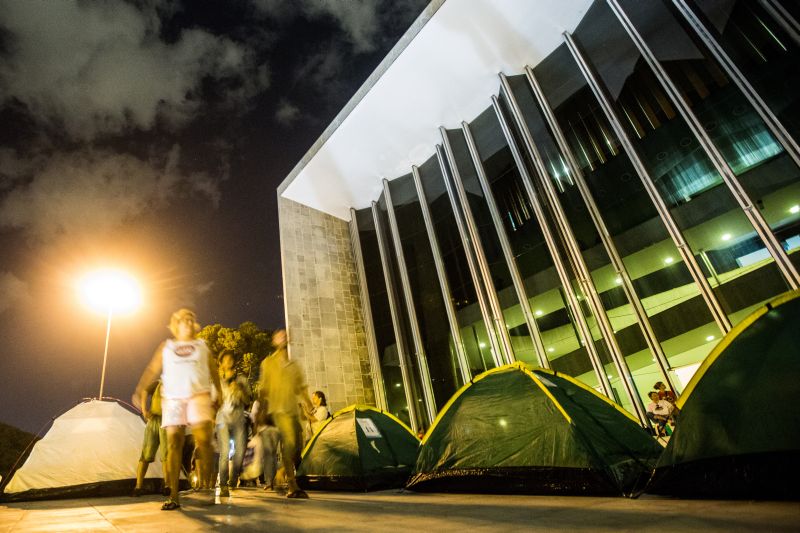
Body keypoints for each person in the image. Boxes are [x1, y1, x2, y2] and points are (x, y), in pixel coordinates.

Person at [133, 308, 222, 511]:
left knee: (204, 442)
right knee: (174, 443)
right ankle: (173, 495)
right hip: (173, 398)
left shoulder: (202, 345)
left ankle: (206, 488)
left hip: (199, 395)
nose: (188, 323)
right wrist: (139, 390)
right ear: (175, 324)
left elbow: (214, 370)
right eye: (184, 320)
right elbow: (152, 369)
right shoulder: (167, 346)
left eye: (192, 319)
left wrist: (219, 392)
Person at [258, 329, 313, 499]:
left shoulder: (294, 365)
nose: (282, 337)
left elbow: (301, 387)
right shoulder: (267, 363)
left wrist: (309, 403)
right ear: (273, 341)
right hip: (278, 409)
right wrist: (261, 409)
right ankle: (292, 485)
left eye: (285, 335)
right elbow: (263, 388)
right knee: (288, 443)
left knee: (296, 447)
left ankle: (281, 472)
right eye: (278, 335)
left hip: (292, 410)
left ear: (289, 339)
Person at [216, 351, 250, 497]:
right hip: (222, 419)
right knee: (224, 452)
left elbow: (248, 401)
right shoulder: (218, 381)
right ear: (221, 363)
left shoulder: (242, 379)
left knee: (240, 451)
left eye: (231, 358)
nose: (228, 360)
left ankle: (233, 477)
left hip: (238, 418)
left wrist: (240, 389)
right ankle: (223, 485)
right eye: (225, 359)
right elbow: (214, 402)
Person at [133, 381, 168, 496]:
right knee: (146, 454)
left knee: (166, 456)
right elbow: (145, 391)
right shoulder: (158, 383)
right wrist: (144, 410)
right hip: (154, 420)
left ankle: (167, 486)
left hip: (167, 421)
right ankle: (138, 487)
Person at [251, 399, 281, 491]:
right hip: (276, 429)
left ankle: (269, 482)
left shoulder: (258, 401)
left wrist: (254, 431)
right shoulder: (277, 398)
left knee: (267, 456)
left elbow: (254, 417)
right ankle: (272, 480)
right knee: (272, 455)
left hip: (265, 429)